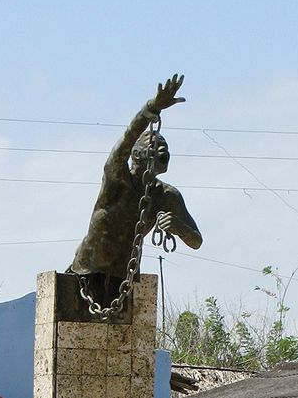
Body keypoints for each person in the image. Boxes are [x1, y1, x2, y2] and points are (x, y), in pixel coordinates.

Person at [70, 75, 202, 297]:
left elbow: (196, 241)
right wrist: (150, 109)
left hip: (126, 279)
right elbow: (124, 142)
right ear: (137, 154)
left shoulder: (166, 196)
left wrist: (179, 227)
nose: (163, 152)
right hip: (86, 272)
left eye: (165, 148)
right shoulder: (118, 178)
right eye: (155, 146)